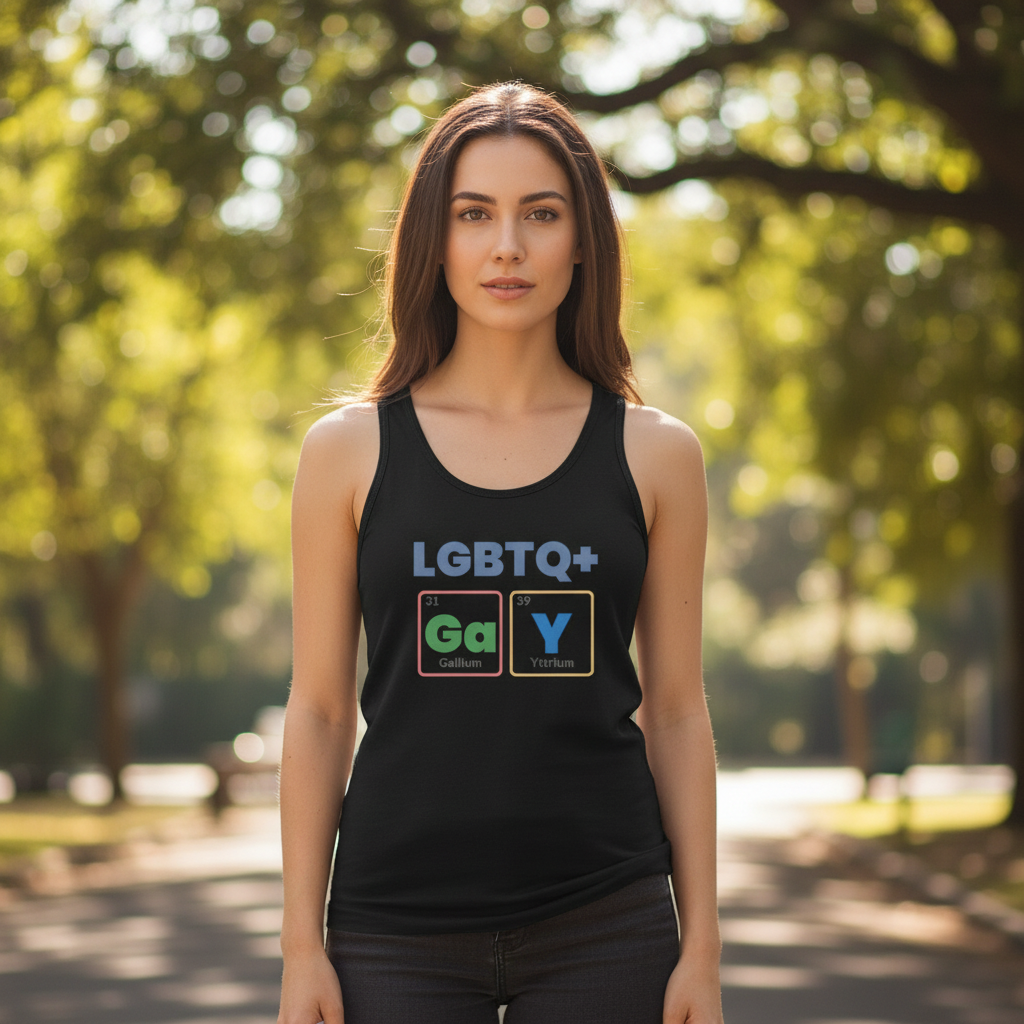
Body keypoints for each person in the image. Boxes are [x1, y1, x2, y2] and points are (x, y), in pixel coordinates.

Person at [277, 81, 722, 1024]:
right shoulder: (347, 453)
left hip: (608, 921)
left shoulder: (658, 456)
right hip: (391, 931)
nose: (507, 245)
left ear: (583, 240)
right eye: (474, 214)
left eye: (542, 214)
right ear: (434, 239)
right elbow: (318, 712)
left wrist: (704, 949)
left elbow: (678, 711)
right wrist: (299, 947)